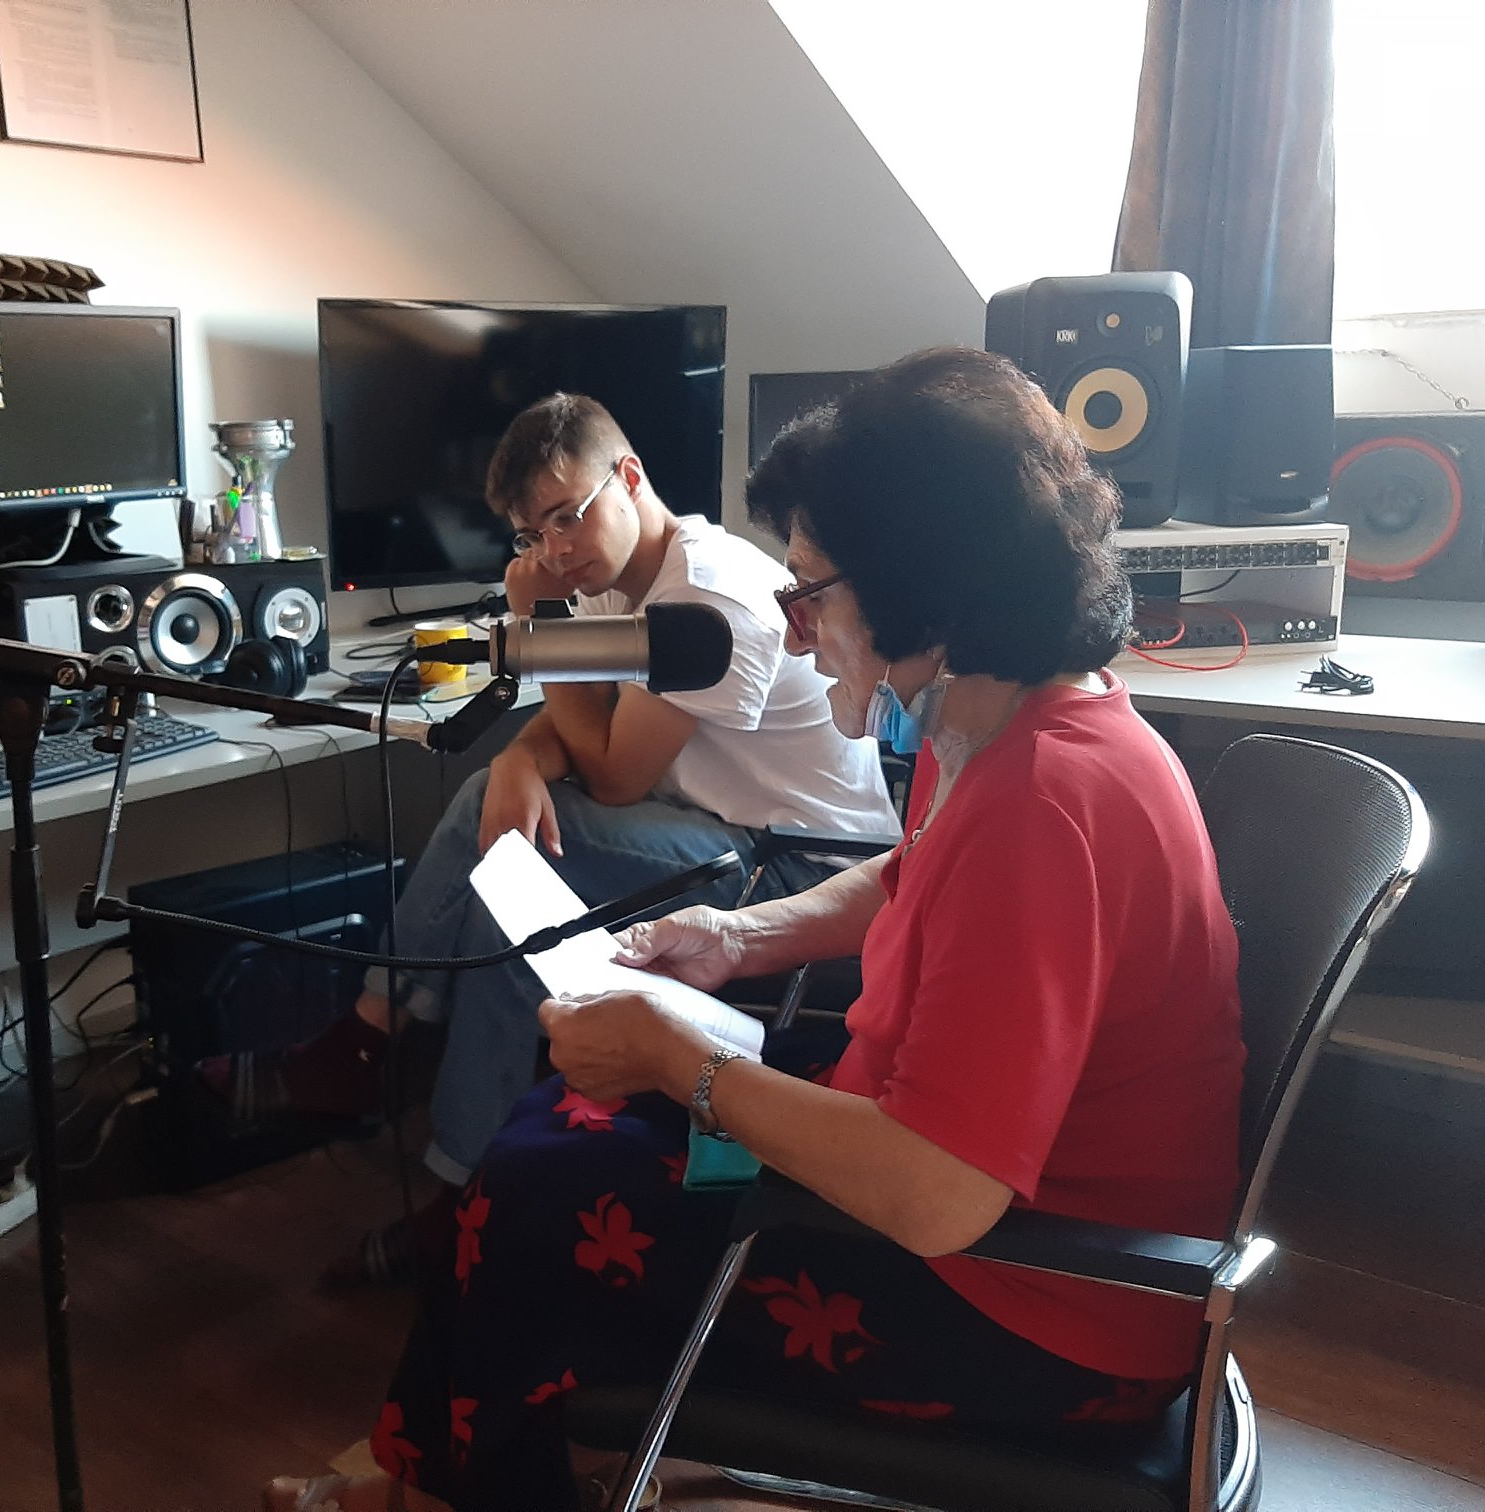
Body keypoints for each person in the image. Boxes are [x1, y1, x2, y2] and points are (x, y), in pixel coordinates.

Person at [263, 347, 1246, 1512]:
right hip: (976, 1213)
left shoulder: (1042, 801)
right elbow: (913, 876)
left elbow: (938, 1195)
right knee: (546, 1132)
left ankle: (432, 1486)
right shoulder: (1008, 719)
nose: (795, 631)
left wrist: (678, 1056)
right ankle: (441, 1477)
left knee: (539, 1208)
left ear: (924, 589)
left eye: (811, 594)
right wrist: (738, 941)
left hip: (1035, 1313)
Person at [285, 393, 899, 1283]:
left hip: (800, 868)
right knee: (511, 908)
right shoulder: (618, 577)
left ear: (630, 478)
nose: (554, 549)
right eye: (531, 534)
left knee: (492, 831)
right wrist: (520, 759)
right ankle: (464, 1184)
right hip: (714, 830)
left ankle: (375, 1031)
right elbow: (587, 729)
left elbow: (612, 775)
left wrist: (537, 631)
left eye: (567, 515)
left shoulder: (706, 598)